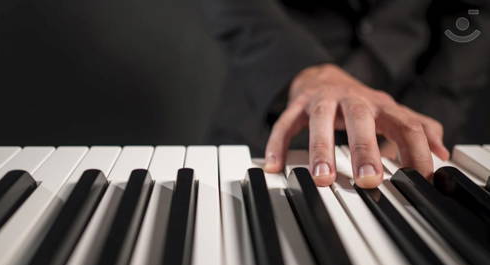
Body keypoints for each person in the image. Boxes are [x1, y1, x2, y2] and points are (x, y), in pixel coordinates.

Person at [200, 0, 490, 188]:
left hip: (410, 111)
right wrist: (309, 72)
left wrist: (434, 104)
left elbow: (476, 13)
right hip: (269, 109)